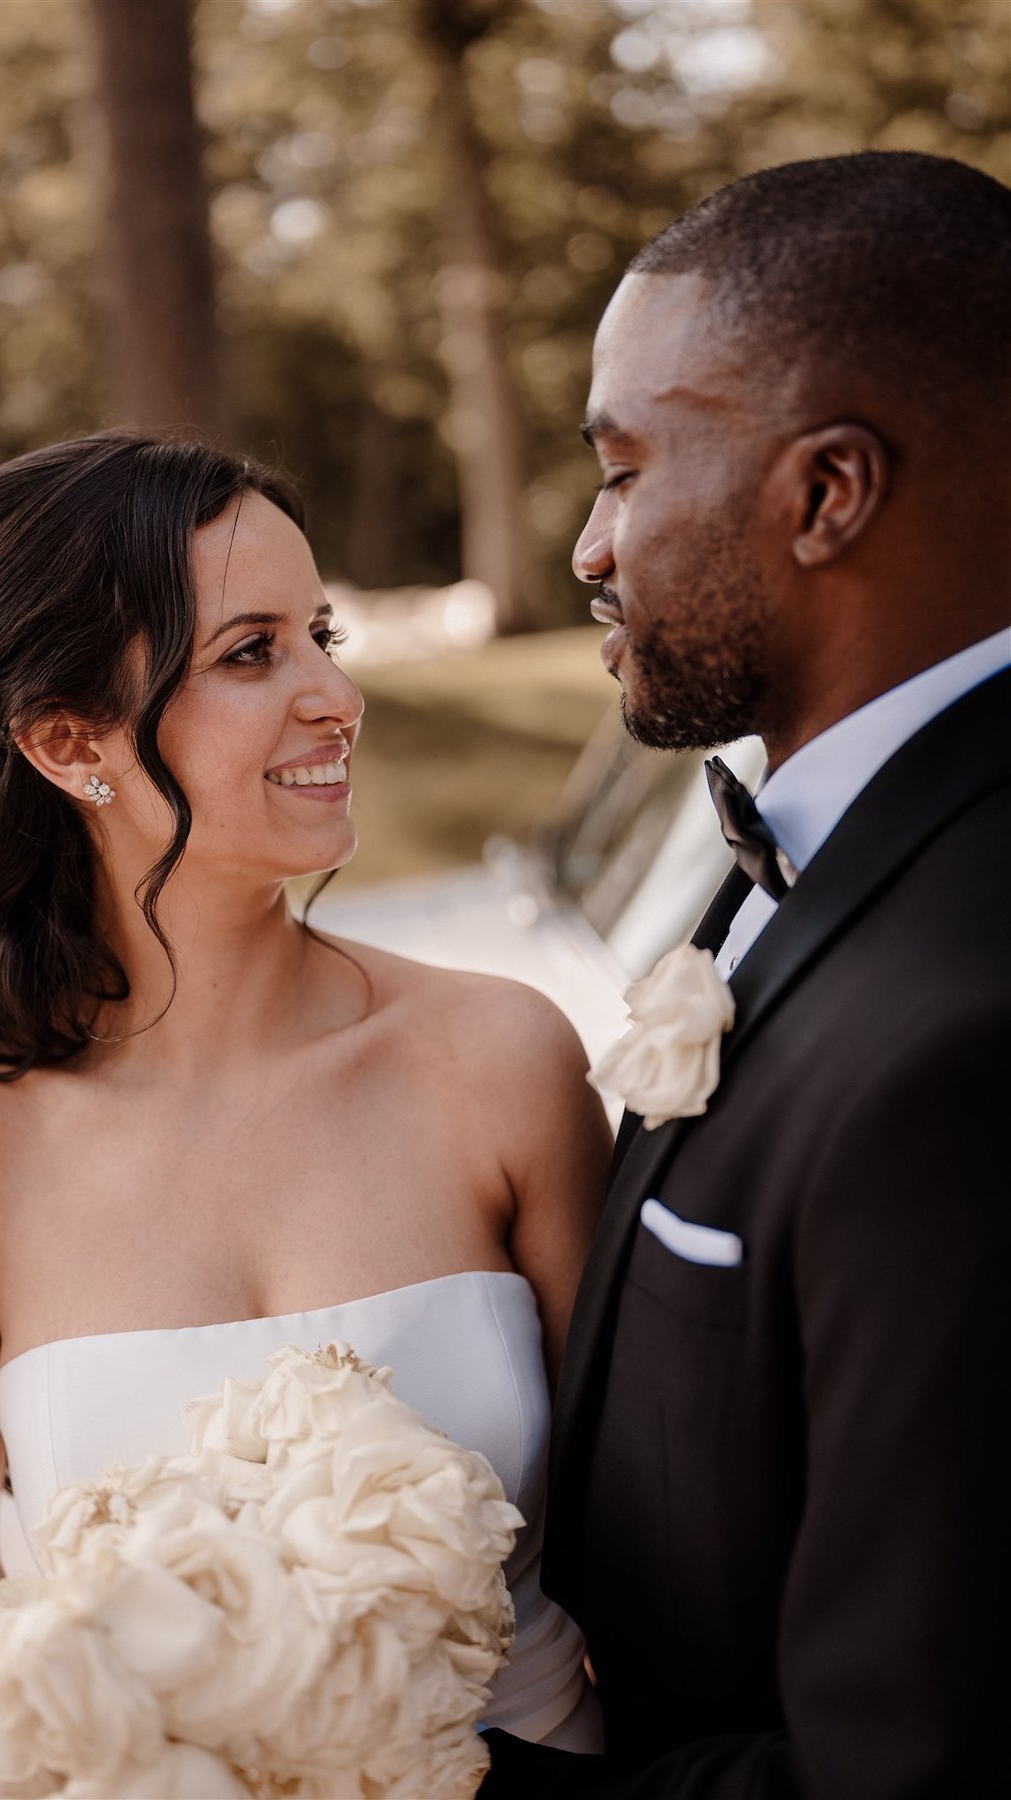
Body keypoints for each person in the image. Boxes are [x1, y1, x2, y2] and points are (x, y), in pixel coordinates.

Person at [0, 434, 611, 1796]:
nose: (336, 695)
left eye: (324, 633)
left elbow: (655, 1517)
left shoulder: (498, 1061)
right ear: (71, 742)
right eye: (254, 654)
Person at [482, 150, 1011, 1797]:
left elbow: (916, 1767)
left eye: (626, 470)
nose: (586, 547)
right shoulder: (833, 841)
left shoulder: (970, 1026)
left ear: (827, 491)